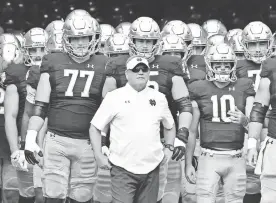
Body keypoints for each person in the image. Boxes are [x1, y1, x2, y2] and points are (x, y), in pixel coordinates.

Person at [103, 16, 193, 203]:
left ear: (157, 42)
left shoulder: (170, 64)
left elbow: (185, 105)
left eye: (149, 41)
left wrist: (182, 136)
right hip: (125, 141)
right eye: (140, 40)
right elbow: (105, 108)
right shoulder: (117, 65)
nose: (145, 45)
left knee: (159, 196)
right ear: (132, 41)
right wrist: (104, 140)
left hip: (159, 141)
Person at [23, 9, 107, 203]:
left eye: (85, 37)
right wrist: (30, 138)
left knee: (82, 198)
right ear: (65, 39)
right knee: (52, 196)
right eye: (75, 38)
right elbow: (40, 107)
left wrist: (104, 142)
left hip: (87, 142)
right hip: (56, 140)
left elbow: (108, 111)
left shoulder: (104, 64)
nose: (80, 43)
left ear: (93, 37)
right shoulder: (53, 61)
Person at [90, 56, 176, 203]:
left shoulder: (160, 98)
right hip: (122, 167)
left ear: (149, 73)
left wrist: (169, 147)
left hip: (152, 168)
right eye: (136, 69)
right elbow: (95, 127)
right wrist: (98, 154)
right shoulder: (114, 97)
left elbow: (170, 126)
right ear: (127, 74)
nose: (140, 72)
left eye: (144, 69)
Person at [186, 43, 255, 203]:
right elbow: (192, 131)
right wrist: (189, 163)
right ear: (210, 65)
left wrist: (244, 120)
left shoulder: (244, 86)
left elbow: (254, 124)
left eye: (227, 64)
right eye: (218, 64)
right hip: (208, 157)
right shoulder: (199, 88)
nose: (223, 68)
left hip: (236, 157)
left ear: (233, 65)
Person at [247, 55, 276, 203]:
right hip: (274, 143)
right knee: (270, 197)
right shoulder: (272, 67)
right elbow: (258, 111)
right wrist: (252, 144)